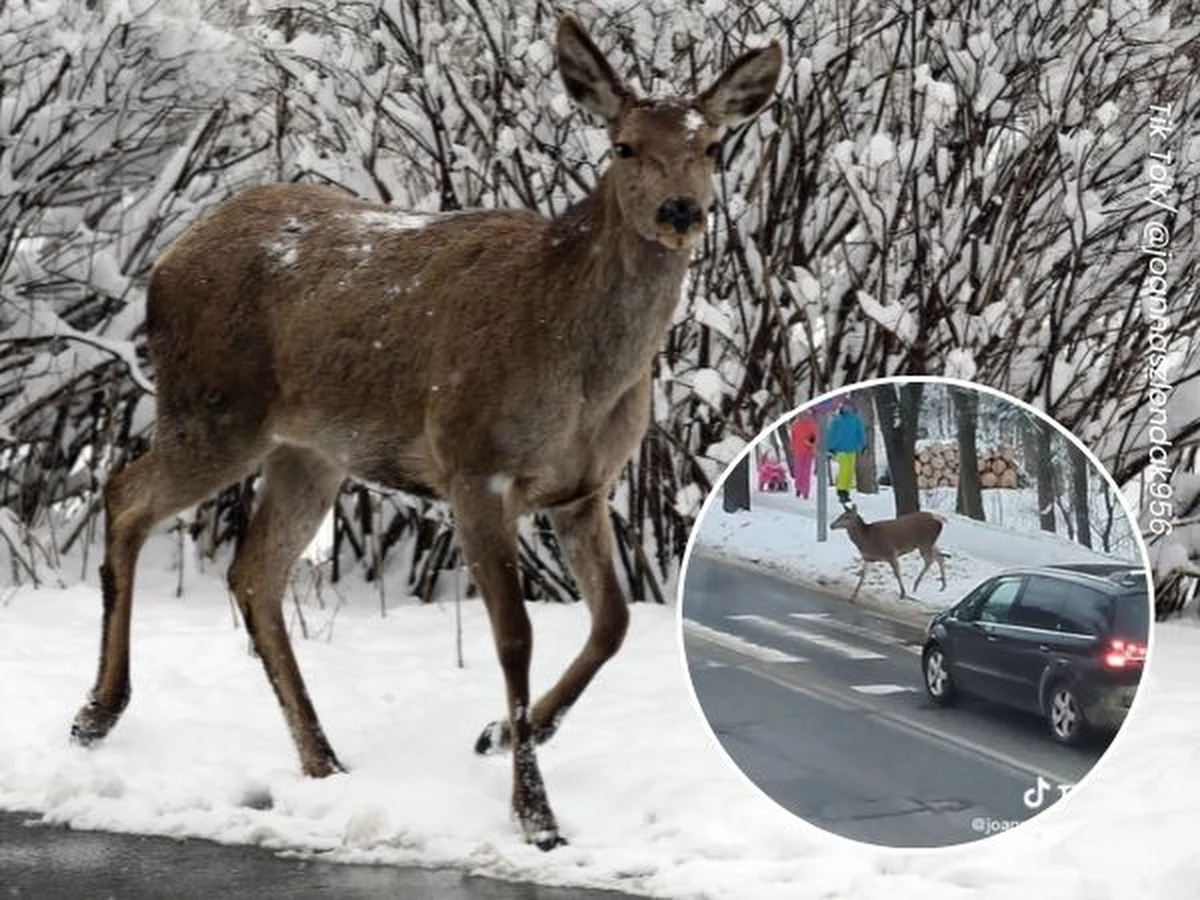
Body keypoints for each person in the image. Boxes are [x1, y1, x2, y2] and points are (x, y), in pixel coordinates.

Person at [825, 400, 866, 505]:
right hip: (839, 449)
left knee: (850, 471)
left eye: (849, 406)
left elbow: (860, 433)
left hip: (852, 448)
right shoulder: (837, 420)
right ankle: (842, 491)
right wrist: (830, 447)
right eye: (845, 407)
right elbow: (831, 433)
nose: (847, 409)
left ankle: (845, 489)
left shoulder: (855, 420)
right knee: (845, 469)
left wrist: (863, 445)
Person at [788, 414, 817, 499]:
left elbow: (814, 436)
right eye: (800, 415)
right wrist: (792, 447)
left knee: (806, 472)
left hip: (808, 451)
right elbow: (792, 438)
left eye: (804, 414)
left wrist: (810, 442)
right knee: (799, 471)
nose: (803, 416)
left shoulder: (811, 425)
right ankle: (798, 487)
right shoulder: (795, 425)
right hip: (798, 451)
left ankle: (805, 491)